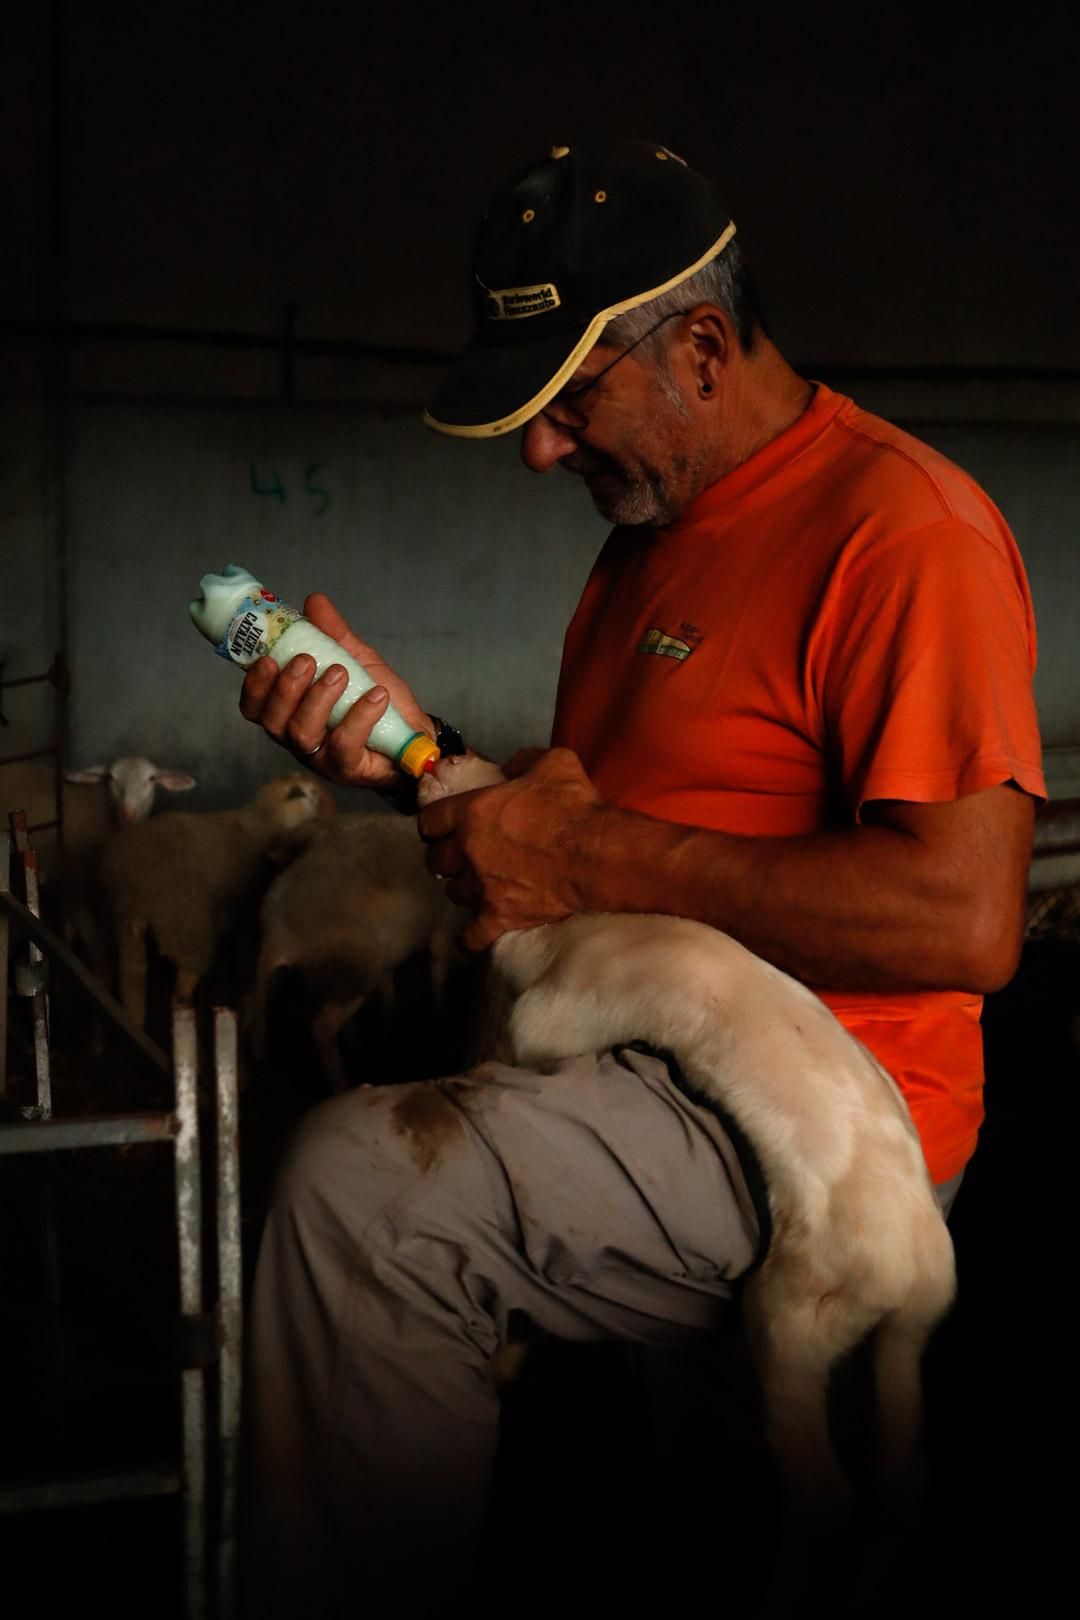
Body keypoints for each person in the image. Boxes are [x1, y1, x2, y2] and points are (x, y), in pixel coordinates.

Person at [238, 140, 1045, 1616]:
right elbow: (580, 839)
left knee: (363, 1196)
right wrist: (412, 751)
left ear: (703, 351)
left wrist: (584, 852)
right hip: (634, 1046)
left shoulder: (904, 534)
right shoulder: (645, 543)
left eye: (571, 401)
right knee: (689, 1525)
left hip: (822, 1115)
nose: (542, 453)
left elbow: (969, 919)